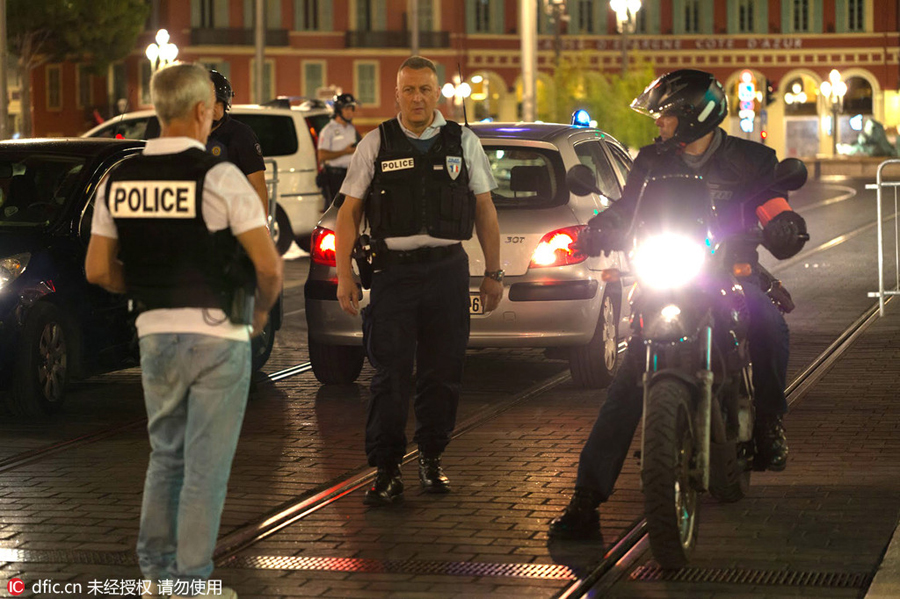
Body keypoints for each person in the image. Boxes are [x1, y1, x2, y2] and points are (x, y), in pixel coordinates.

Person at [548, 69, 808, 539]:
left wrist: (785, 224)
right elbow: (627, 208)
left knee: (770, 324)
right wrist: (599, 228)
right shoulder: (650, 161)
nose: (660, 124)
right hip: (668, 275)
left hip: (729, 273)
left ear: (694, 117)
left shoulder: (750, 159)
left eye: (666, 115)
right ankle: (585, 500)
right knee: (629, 379)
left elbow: (772, 202)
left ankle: (769, 420)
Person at [85, 62, 283, 597]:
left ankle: (155, 575)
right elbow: (268, 265)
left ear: (156, 109)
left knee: (165, 454)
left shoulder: (119, 178)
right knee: (205, 464)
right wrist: (260, 313)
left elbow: (98, 269)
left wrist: (147, 291)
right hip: (218, 333)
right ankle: (191, 584)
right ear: (202, 111)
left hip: (154, 333)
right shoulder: (219, 177)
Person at [335, 55, 502, 506]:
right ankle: (387, 469)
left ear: (437, 93)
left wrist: (493, 273)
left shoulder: (463, 142)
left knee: (442, 371)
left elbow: (485, 210)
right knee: (389, 374)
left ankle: (431, 457)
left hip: (447, 271)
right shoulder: (375, 143)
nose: (416, 98)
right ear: (396, 95)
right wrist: (343, 274)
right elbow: (348, 214)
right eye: (408, 90)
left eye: (425, 89)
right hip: (393, 274)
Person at [207, 69, 270, 217]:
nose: (213, 108)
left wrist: (262, 225)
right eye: (208, 102)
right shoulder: (190, 134)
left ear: (226, 104)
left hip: (235, 218)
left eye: (218, 102)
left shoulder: (241, 135)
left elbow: (258, 185)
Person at [317, 92, 361, 209]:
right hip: (334, 177)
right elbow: (322, 155)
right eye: (347, 109)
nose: (350, 112)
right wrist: (345, 152)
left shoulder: (351, 129)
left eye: (352, 109)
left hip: (350, 175)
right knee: (335, 210)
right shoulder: (328, 130)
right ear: (338, 110)